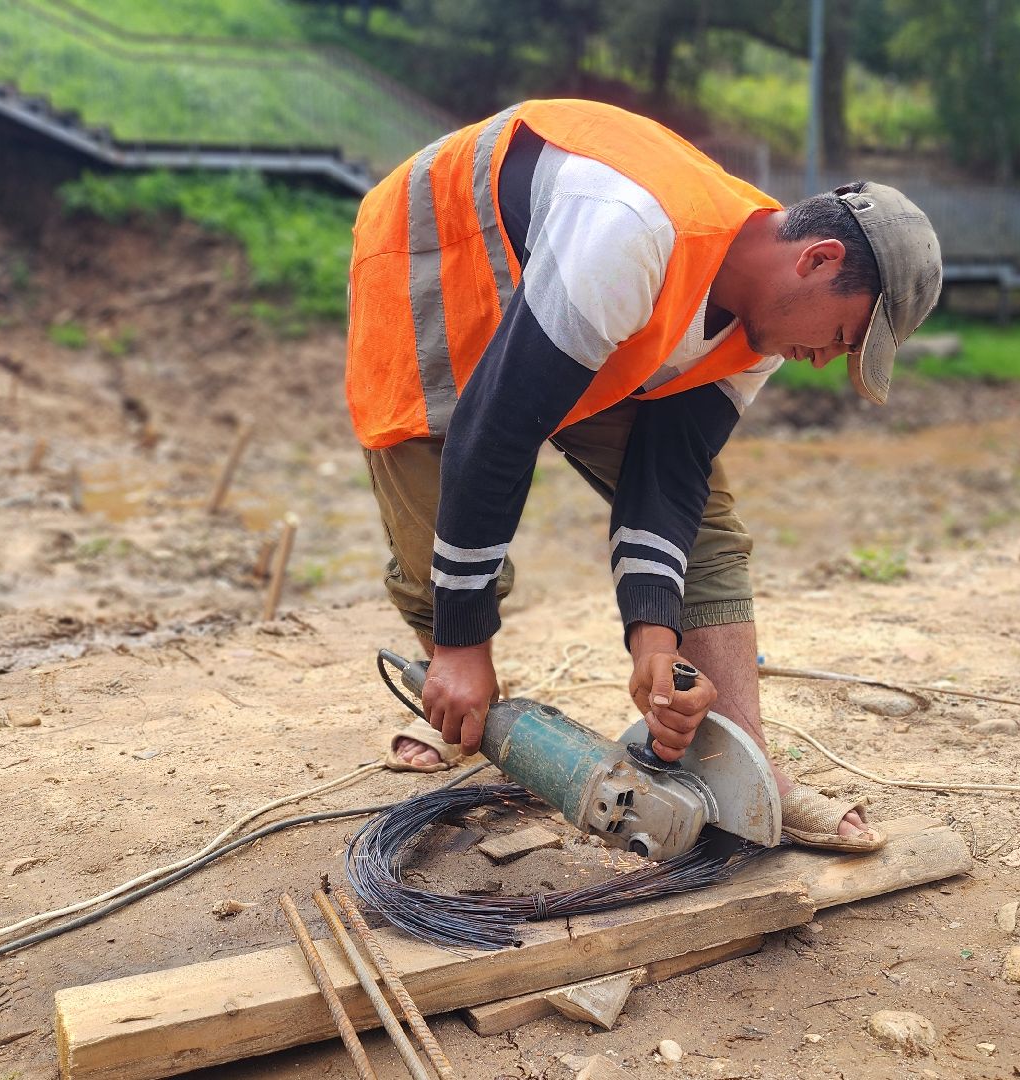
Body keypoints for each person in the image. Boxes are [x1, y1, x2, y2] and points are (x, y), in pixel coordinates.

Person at [346, 98, 942, 848]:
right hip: (441, 244)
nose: (827, 359)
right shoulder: (632, 232)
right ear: (817, 260)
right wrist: (465, 640)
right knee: (434, 467)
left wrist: (654, 642)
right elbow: (499, 428)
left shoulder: (763, 327)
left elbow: (668, 476)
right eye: (844, 335)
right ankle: (450, 688)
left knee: (708, 525)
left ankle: (748, 768)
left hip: (582, 301)